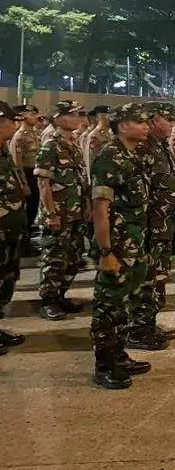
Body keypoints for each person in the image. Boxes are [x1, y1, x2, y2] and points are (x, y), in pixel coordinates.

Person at [90, 103, 154, 389]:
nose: (146, 126)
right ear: (123, 125)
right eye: (140, 122)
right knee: (109, 305)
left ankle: (118, 355)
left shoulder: (131, 154)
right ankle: (104, 365)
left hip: (133, 242)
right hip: (116, 245)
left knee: (125, 302)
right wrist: (105, 252)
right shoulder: (109, 157)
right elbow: (99, 209)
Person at [129, 102, 175, 347]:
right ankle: (137, 330)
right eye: (167, 119)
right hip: (149, 225)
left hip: (163, 223)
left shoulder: (160, 145)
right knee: (145, 277)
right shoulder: (142, 149)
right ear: (152, 121)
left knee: (158, 275)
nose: (172, 124)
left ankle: (148, 323)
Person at [35, 101, 90, 321]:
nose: (78, 118)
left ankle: (60, 295)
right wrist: (50, 213)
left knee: (73, 258)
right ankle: (48, 301)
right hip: (58, 213)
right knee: (54, 258)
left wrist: (86, 206)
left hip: (75, 212)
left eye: (78, 114)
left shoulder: (73, 145)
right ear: (57, 118)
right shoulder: (50, 145)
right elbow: (43, 183)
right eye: (72, 114)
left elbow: (80, 179)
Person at [0, 101, 28, 356]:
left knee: (6, 279)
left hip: (9, 230)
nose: (16, 125)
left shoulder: (3, 149)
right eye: (12, 121)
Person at [10, 104, 41, 257]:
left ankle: (27, 240)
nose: (35, 116)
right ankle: (23, 244)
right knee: (26, 212)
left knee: (33, 210)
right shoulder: (19, 136)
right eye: (31, 114)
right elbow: (17, 164)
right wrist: (23, 183)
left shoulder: (34, 133)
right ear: (22, 116)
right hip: (27, 176)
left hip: (35, 176)